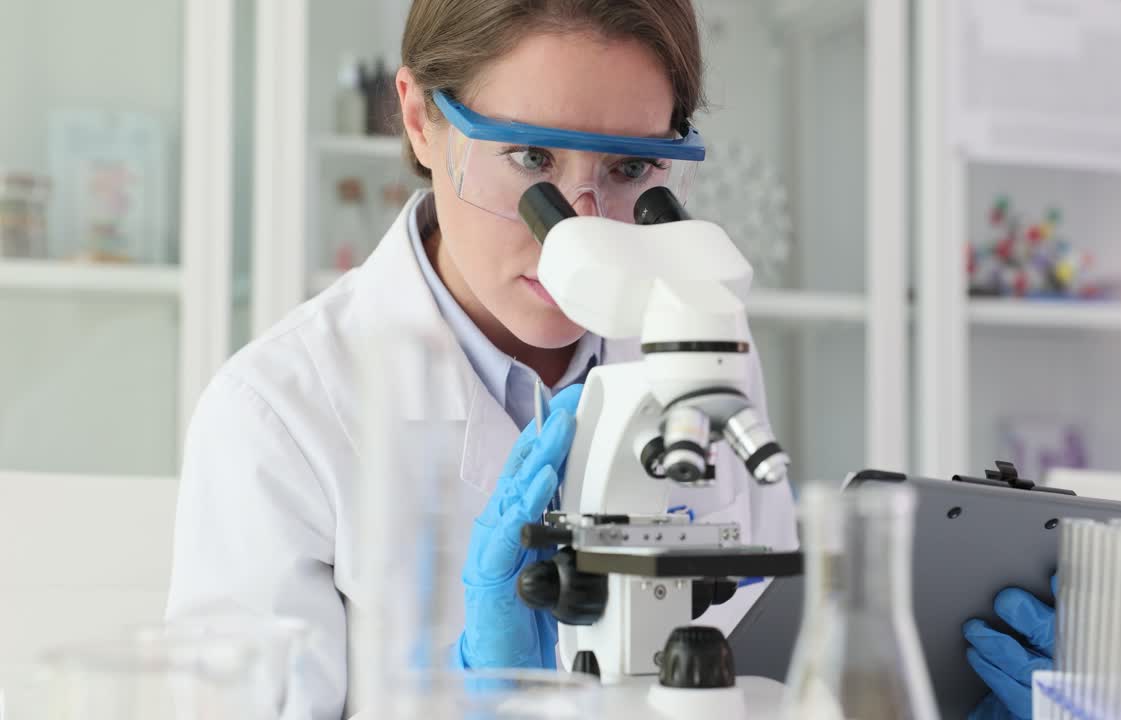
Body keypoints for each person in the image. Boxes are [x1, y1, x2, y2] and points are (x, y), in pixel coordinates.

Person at [165, 1, 797, 718]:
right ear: (419, 120)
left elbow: (778, 663)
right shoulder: (278, 413)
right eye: (531, 159)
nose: (583, 225)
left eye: (629, 167)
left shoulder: (699, 343)